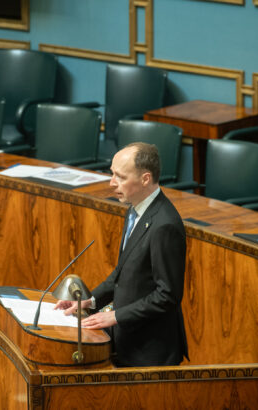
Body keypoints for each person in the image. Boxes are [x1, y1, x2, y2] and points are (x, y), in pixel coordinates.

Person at [55, 142, 189, 367]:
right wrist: (90, 302)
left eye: (120, 176)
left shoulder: (164, 225)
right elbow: (123, 271)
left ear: (145, 179)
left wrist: (115, 316)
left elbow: (167, 295)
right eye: (112, 173)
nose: (111, 183)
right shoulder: (134, 209)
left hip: (150, 352)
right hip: (128, 340)